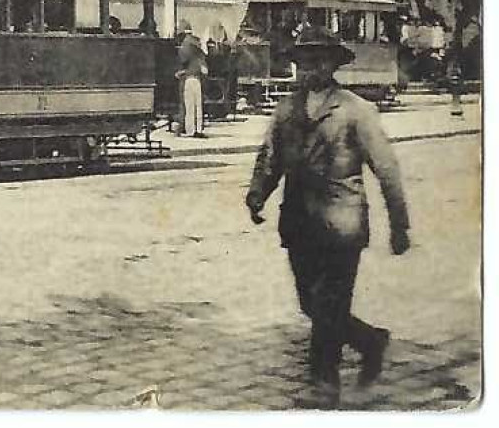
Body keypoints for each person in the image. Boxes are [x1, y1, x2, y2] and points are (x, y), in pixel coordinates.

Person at [245, 24, 410, 408]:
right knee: (310, 304)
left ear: (332, 65)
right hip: (300, 223)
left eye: (317, 62)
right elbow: (270, 156)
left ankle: (324, 382)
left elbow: (386, 168)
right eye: (303, 63)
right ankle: (370, 341)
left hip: (342, 223)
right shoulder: (287, 109)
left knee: (331, 306)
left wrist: (399, 225)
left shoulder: (354, 110)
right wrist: (257, 194)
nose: (309, 70)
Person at [175, 21, 209, 138]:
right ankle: (198, 129)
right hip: (198, 78)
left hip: (189, 79)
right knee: (198, 106)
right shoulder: (198, 47)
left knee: (189, 106)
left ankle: (190, 130)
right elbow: (204, 68)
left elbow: (183, 60)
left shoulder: (186, 45)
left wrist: (181, 72)